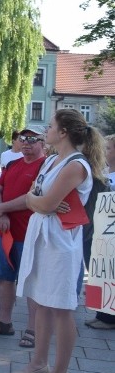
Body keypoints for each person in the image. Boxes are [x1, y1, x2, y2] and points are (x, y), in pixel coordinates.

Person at [12, 109, 106, 373]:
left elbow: (45, 201)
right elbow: (37, 197)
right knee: (40, 301)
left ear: (63, 132)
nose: (46, 131)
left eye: (50, 126)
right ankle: (39, 362)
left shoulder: (77, 165)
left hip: (61, 241)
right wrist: (38, 200)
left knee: (61, 308)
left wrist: (38, 200)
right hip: (43, 234)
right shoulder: (52, 160)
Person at [0, 126, 46, 345]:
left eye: (32, 139)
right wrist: (1, 213)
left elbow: (33, 197)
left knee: (32, 282)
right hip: (6, 232)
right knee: (5, 278)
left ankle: (34, 329)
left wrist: (1, 209)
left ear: (43, 143)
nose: (26, 142)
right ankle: (4, 322)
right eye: (22, 138)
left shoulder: (46, 167)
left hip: (30, 234)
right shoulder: (13, 164)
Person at [84, 133, 115, 330]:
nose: (105, 151)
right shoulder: (103, 171)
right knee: (95, 271)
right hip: (94, 230)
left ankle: (110, 317)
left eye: (109, 148)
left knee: (109, 273)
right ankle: (100, 312)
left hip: (109, 233)